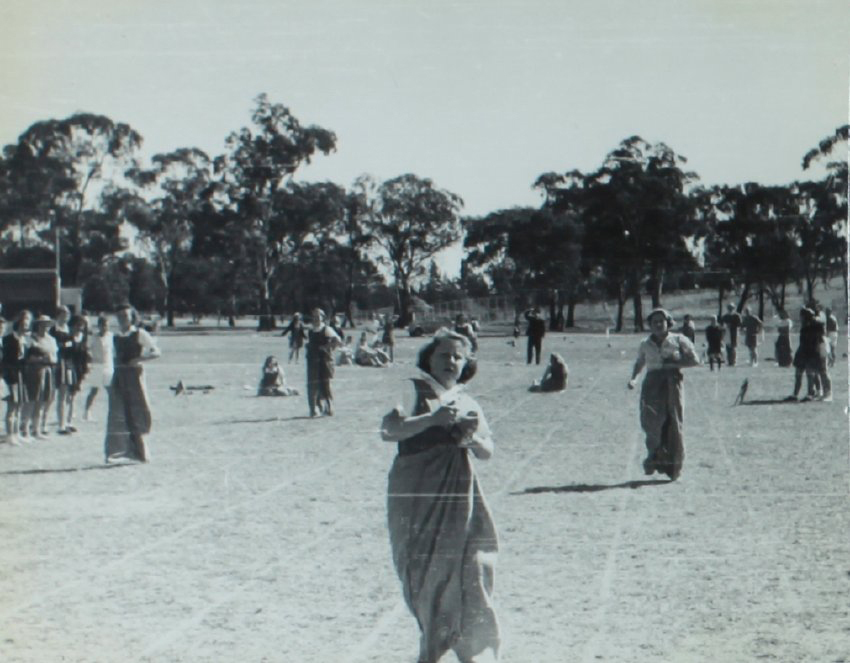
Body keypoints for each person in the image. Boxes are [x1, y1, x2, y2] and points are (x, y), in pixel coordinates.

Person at [381, 328, 499, 663]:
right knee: (424, 574)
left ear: (466, 365)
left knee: (471, 565)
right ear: (429, 358)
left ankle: (474, 653)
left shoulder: (467, 401)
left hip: (459, 493)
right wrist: (431, 420)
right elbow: (389, 431)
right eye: (444, 355)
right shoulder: (411, 388)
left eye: (457, 357)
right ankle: (431, 651)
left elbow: (487, 451)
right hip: (416, 492)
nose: (450, 362)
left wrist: (471, 438)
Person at [628, 308, 700, 481]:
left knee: (674, 422)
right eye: (655, 322)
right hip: (652, 384)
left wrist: (674, 363)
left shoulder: (679, 340)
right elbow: (640, 363)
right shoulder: (645, 344)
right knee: (650, 421)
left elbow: (695, 360)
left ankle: (674, 467)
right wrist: (633, 379)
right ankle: (655, 457)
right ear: (650, 325)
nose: (659, 324)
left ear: (668, 323)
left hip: (672, 382)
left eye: (662, 321)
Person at [105, 305, 161, 463]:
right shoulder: (114, 337)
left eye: (126, 315)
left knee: (138, 410)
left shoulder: (139, 334)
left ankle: (142, 450)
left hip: (135, 375)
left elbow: (156, 351)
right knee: (118, 412)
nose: (123, 318)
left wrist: (139, 359)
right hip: (119, 375)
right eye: (120, 315)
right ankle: (118, 451)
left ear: (132, 317)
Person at [23, 314, 59, 439]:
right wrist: (40, 359)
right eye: (42, 325)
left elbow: (55, 357)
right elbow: (26, 357)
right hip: (34, 371)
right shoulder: (31, 338)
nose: (45, 327)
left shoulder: (51, 340)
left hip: (48, 370)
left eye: (47, 325)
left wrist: (50, 359)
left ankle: (36, 429)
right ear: (37, 325)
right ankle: (25, 429)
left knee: (43, 400)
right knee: (32, 399)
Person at [788, 308, 831, 402]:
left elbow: (821, 336)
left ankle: (815, 393)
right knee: (801, 374)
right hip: (804, 351)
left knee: (814, 373)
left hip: (814, 351)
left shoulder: (816, 325)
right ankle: (796, 394)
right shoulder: (805, 326)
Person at [57, 315, 91, 434]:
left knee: (72, 397)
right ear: (71, 326)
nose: (79, 328)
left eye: (81, 326)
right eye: (77, 325)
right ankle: (61, 425)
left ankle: (69, 422)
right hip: (66, 367)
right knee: (63, 396)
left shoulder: (83, 338)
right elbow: (61, 351)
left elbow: (86, 355)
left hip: (79, 369)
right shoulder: (67, 338)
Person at [305, 308, 341, 417]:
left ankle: (329, 408)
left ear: (322, 317)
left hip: (325, 361)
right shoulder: (310, 330)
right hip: (313, 362)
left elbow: (338, 340)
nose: (315, 318)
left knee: (325, 385)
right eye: (314, 316)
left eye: (318, 316)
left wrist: (326, 347)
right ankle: (314, 409)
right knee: (312, 385)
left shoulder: (326, 329)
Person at [3, 311, 31, 444]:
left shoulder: (25, 340)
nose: (26, 325)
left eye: (28, 322)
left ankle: (16, 433)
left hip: (22, 376)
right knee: (12, 407)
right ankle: (9, 435)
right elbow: (6, 361)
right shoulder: (9, 339)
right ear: (19, 323)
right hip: (11, 376)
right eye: (24, 321)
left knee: (20, 405)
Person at [83, 315, 114, 421]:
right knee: (94, 390)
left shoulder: (111, 336)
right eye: (103, 325)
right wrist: (89, 360)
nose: (105, 328)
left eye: (107, 326)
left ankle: (113, 411)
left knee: (111, 390)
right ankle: (87, 412)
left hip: (108, 366)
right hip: (97, 366)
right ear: (99, 326)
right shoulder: (93, 338)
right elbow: (86, 350)